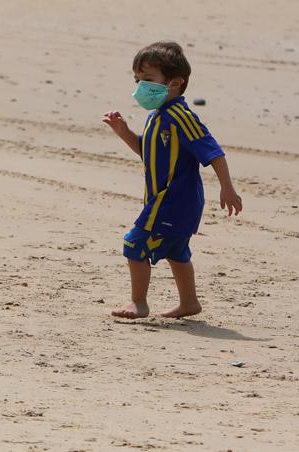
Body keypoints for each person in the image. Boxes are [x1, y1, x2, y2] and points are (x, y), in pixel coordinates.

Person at [102, 41, 242, 319]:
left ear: (175, 83)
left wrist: (227, 187)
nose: (141, 87)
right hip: (164, 199)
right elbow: (148, 151)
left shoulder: (181, 116)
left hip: (175, 199)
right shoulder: (157, 116)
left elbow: (213, 151)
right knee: (177, 251)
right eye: (137, 80)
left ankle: (138, 303)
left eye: (148, 80)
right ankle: (189, 303)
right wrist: (124, 132)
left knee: (134, 243)